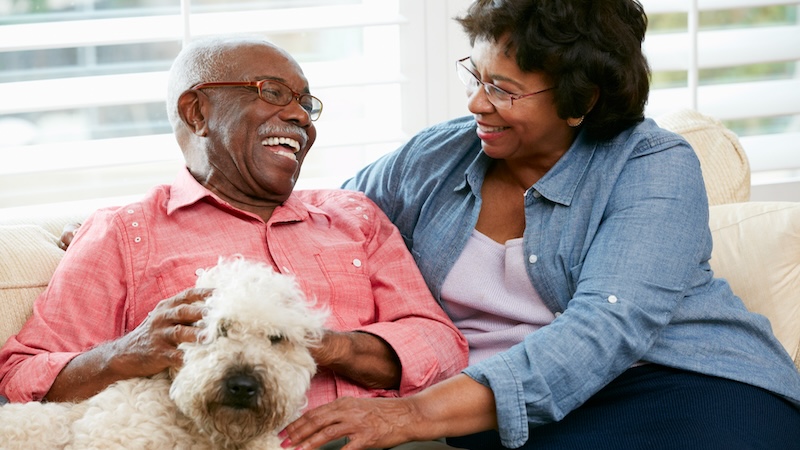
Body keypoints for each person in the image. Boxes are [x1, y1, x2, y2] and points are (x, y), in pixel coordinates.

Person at [280, 1, 800, 449]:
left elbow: (605, 330)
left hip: (675, 387)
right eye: (476, 76)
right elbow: (326, 228)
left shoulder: (652, 164)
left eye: (503, 90)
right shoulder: (436, 155)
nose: (475, 104)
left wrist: (413, 415)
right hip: (492, 413)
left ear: (581, 100)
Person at [0, 35, 468, 450]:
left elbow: (442, 344)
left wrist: (319, 343)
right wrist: (127, 352)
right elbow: (21, 375)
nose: (299, 116)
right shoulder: (125, 232)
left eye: (307, 103)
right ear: (197, 111)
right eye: (273, 93)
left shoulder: (353, 216)